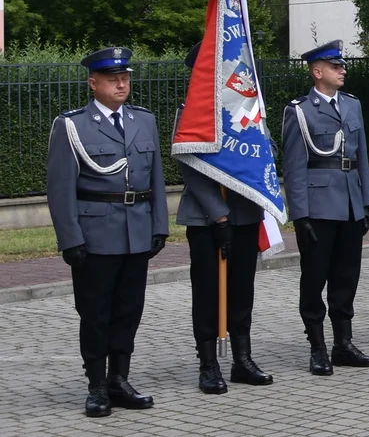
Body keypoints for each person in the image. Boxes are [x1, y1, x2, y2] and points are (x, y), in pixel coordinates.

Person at [47, 47, 168, 417]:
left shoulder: (143, 120)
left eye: (126, 77)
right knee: (96, 313)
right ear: (93, 83)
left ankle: (119, 379)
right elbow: (60, 187)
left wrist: (159, 225)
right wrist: (70, 238)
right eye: (113, 78)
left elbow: (157, 178)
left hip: (136, 230)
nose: (121, 82)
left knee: (129, 310)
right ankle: (96, 386)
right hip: (96, 233)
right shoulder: (72, 125)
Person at [176, 43, 272, 394]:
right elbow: (190, 166)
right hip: (206, 218)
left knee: (241, 290)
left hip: (244, 215)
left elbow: (264, 155)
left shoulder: (246, 109)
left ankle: (242, 360)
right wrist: (218, 215)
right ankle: (208, 364)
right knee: (207, 293)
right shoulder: (192, 112)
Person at [282, 40, 369, 374]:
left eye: (342, 66)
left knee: (346, 277)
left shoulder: (352, 106)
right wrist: (300, 214)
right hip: (319, 206)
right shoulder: (300, 110)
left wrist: (366, 202)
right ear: (316, 71)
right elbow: (293, 166)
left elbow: (361, 156)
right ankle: (317, 346)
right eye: (335, 66)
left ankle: (343, 343)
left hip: (350, 203)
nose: (342, 70)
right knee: (314, 279)